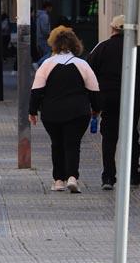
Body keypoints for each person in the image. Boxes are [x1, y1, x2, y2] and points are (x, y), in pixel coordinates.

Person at [29, 26, 100, 193]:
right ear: (75, 44)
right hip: (78, 112)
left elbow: (36, 90)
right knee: (73, 144)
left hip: (52, 113)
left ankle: (59, 180)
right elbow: (94, 90)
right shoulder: (82, 64)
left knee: (57, 144)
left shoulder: (47, 64)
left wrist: (32, 111)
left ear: (53, 44)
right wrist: (96, 109)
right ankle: (72, 177)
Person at [87, 15, 140, 190]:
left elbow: (89, 72)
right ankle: (133, 175)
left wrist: (93, 101)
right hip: (132, 98)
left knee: (109, 137)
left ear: (113, 29)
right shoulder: (135, 49)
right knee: (131, 135)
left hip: (108, 98)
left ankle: (108, 177)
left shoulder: (102, 47)